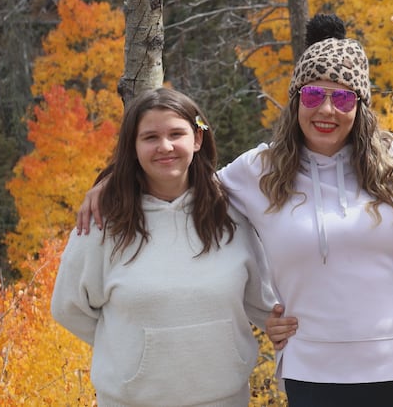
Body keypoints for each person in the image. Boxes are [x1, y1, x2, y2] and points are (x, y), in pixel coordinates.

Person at [76, 14, 393, 407]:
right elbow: (183, 183)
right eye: (313, 94)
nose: (326, 108)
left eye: (342, 96)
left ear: (360, 106)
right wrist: (114, 181)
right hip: (312, 370)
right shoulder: (257, 171)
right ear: (296, 100)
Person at [51, 87, 277, 407]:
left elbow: (262, 299)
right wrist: (133, 353)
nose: (165, 146)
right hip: (131, 401)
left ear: (197, 139)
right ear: (133, 146)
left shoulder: (231, 213)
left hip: (225, 399)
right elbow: (68, 307)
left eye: (176, 133)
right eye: (150, 137)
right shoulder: (103, 221)